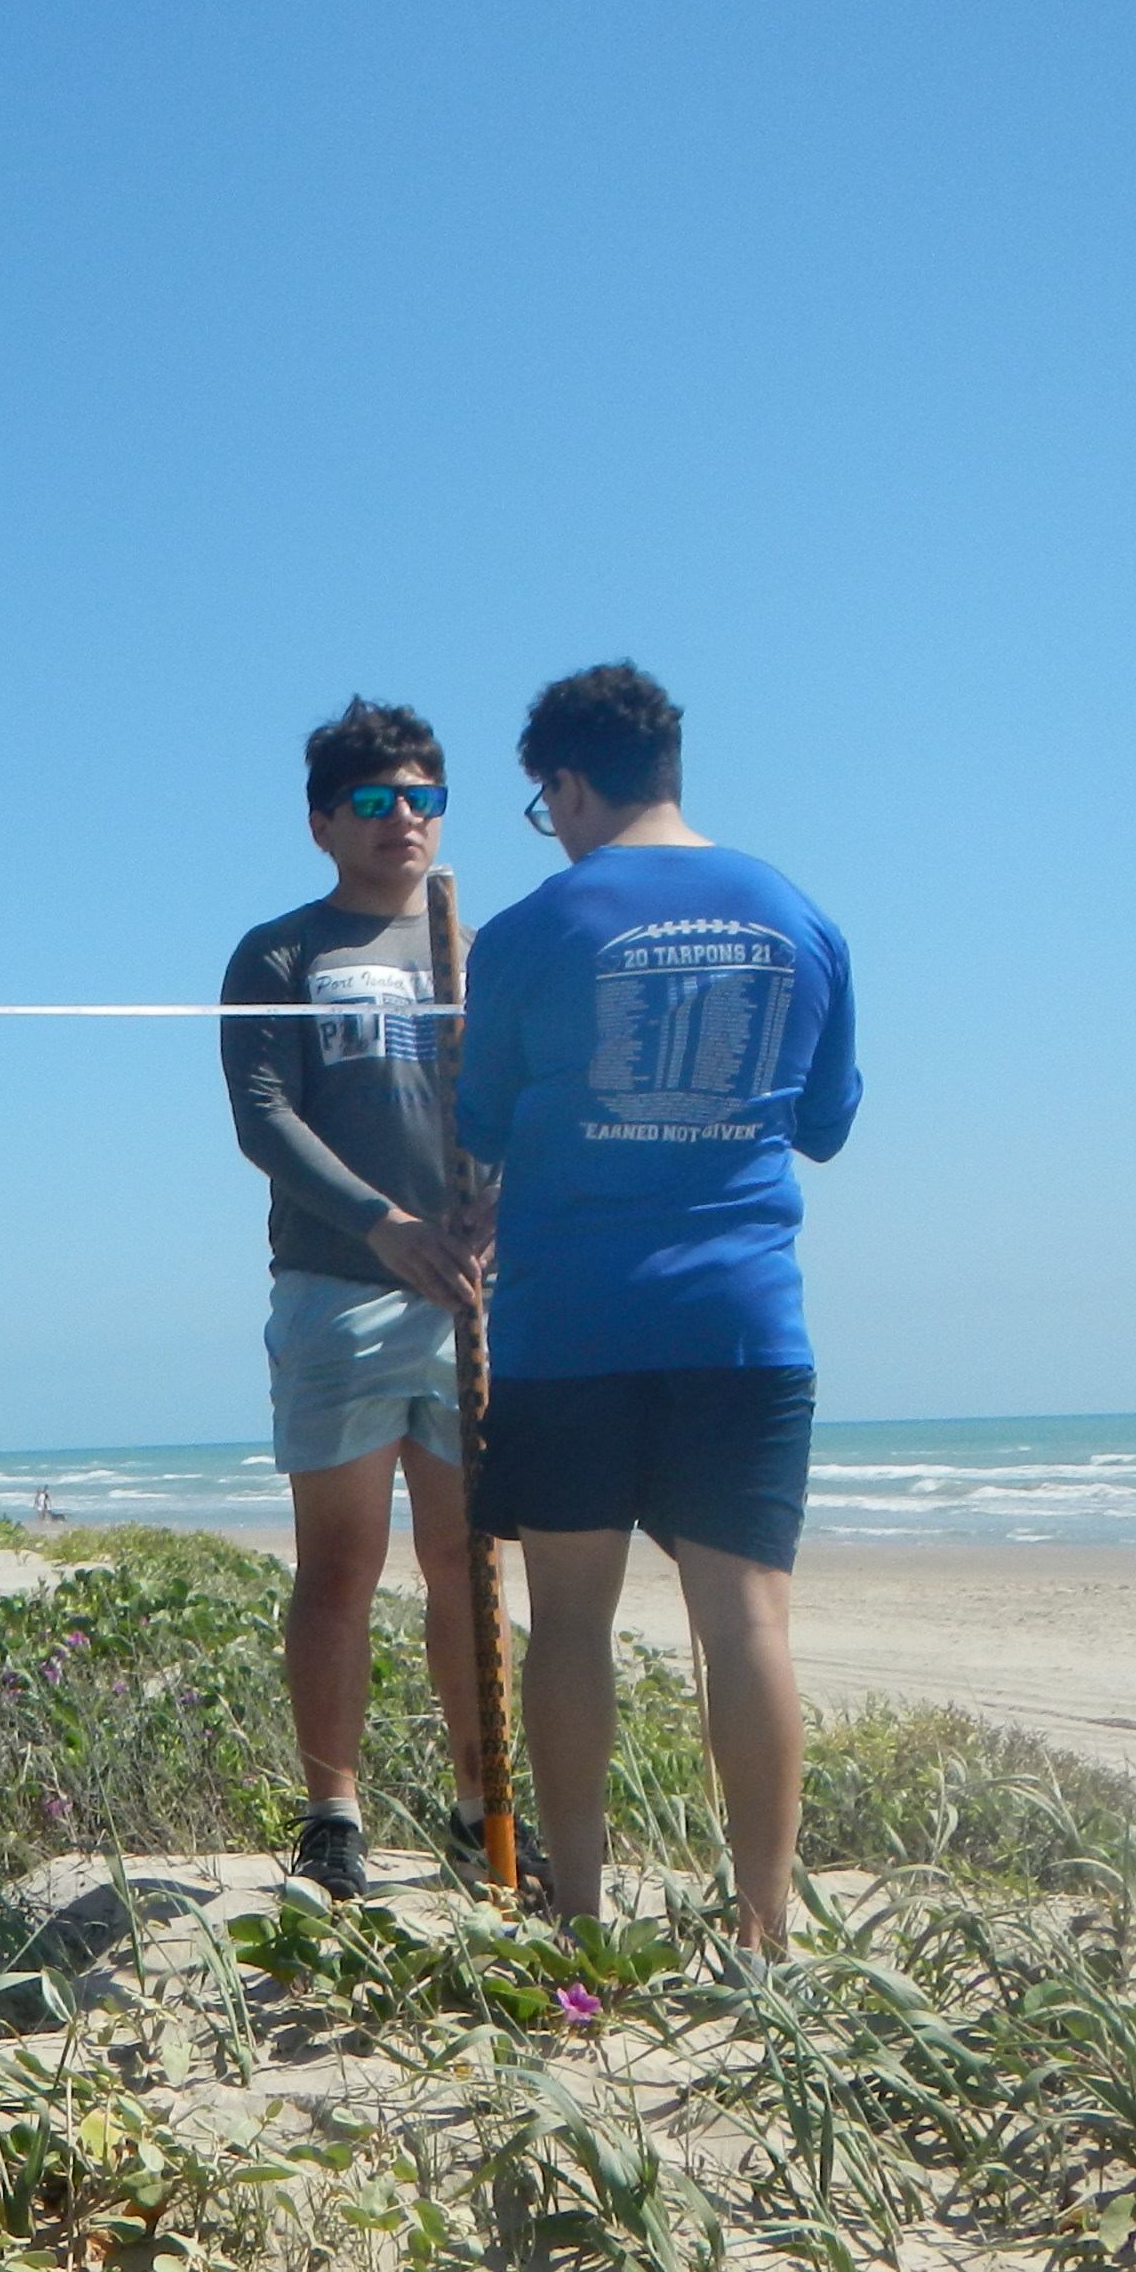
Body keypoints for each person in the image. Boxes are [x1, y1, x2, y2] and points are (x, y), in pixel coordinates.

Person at [452, 664, 860, 1953]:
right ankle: (762, 1929)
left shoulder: (525, 932)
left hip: (570, 1321)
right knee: (744, 1620)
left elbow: (479, 1129)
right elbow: (826, 1127)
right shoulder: (796, 915)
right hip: (740, 1319)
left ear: (567, 783)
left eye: (546, 803)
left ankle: (578, 1911)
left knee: (570, 1619)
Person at [220, 695, 497, 1901]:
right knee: (339, 1564)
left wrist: (494, 1211)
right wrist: (381, 1226)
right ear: (325, 819)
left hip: (473, 1294)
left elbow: (525, 1101)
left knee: (465, 1562)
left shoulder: (474, 951)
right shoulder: (282, 953)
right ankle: (332, 1814)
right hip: (339, 1288)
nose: (403, 822)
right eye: (376, 801)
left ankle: (479, 1800)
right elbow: (264, 1118)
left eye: (423, 799)